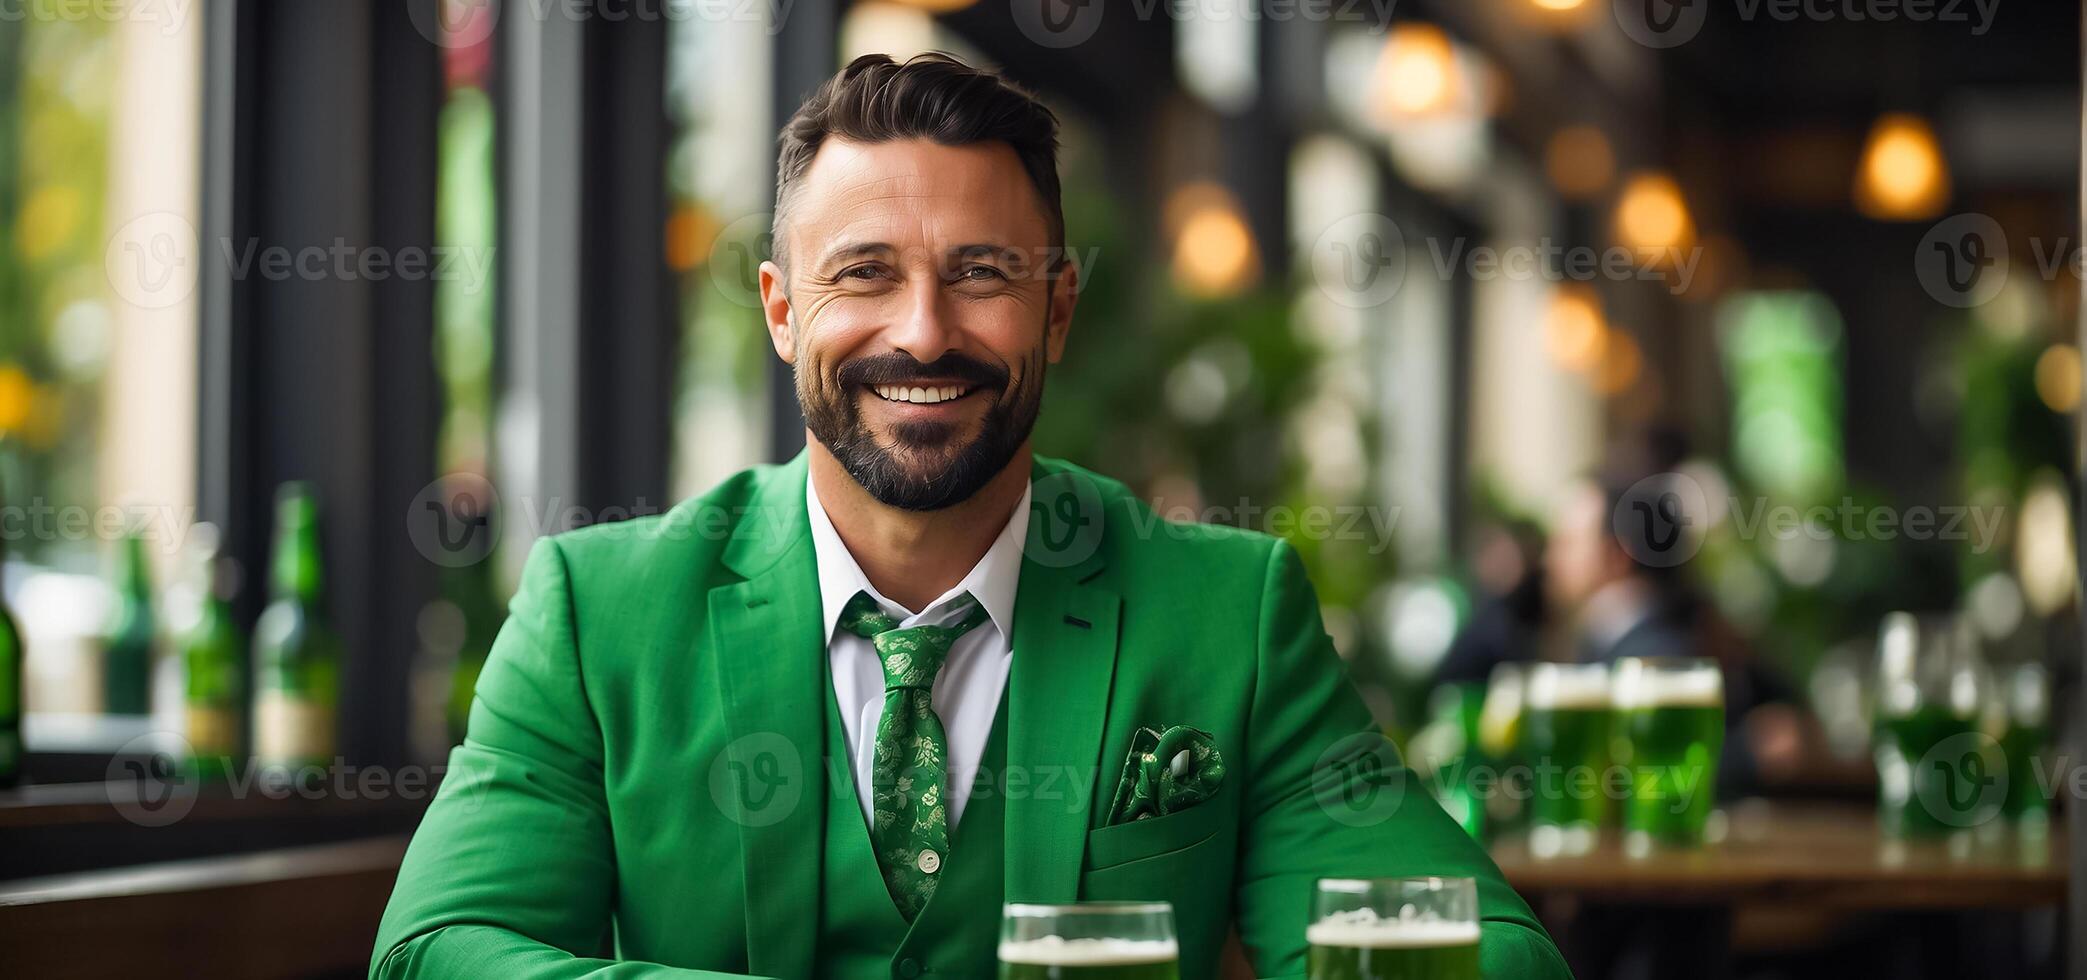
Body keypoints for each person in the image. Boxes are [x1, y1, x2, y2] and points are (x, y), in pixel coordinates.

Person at [372, 53, 1567, 979]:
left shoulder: (1227, 611)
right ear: (782, 312)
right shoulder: (599, 609)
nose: (924, 331)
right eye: (864, 272)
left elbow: (1493, 949)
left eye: (982, 272)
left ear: (1055, 312)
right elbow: (437, 946)